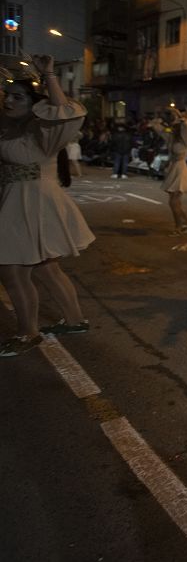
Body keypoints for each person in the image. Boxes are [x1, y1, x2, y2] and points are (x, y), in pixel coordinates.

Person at [0, 57, 94, 356]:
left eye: (18, 96)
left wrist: (49, 74)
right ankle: (75, 320)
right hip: (17, 203)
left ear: (33, 103)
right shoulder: (8, 126)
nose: (9, 100)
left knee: (12, 271)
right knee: (46, 269)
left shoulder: (43, 130)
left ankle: (29, 332)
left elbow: (65, 111)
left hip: (32, 205)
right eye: (7, 94)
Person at [148, 107, 187, 235]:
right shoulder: (172, 138)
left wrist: (180, 116)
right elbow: (157, 127)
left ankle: (179, 227)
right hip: (174, 168)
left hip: (180, 170)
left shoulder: (185, 140)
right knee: (175, 202)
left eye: (176, 126)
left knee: (173, 202)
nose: (173, 127)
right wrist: (157, 116)